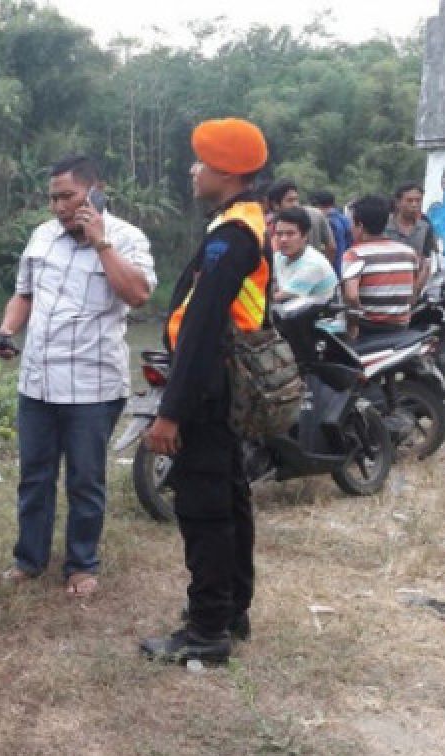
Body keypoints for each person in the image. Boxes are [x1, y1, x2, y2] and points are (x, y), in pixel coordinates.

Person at [0, 155, 156, 596]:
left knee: (85, 478)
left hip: (93, 385)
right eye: (53, 198)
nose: (59, 207)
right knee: (34, 476)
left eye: (68, 197)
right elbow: (22, 295)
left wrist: (101, 244)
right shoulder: (42, 237)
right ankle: (29, 559)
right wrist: (8, 329)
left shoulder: (127, 238)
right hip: (37, 382)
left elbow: (138, 294)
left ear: (95, 192)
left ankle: (82, 565)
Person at [140, 118, 270, 665]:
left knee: (204, 508)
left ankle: (207, 628)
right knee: (230, 497)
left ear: (227, 170)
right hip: (220, 385)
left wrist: (170, 413)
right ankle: (232, 608)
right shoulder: (243, 223)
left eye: (200, 162)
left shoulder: (232, 236)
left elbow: (200, 331)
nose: (192, 171)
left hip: (208, 389)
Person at [341, 194, 419, 338]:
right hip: (401, 327)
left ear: (360, 226)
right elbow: (413, 291)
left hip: (369, 329)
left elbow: (351, 296)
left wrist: (353, 326)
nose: (350, 228)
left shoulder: (354, 255)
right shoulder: (409, 253)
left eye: (351, 223)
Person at [271, 206, 337, 303]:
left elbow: (277, 297)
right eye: (279, 234)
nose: (283, 239)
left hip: (319, 316)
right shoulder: (279, 257)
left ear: (305, 235)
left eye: (290, 234)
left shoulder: (313, 264)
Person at [267, 178, 337, 265]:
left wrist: (322, 267)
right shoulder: (272, 223)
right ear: (275, 205)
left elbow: (331, 247)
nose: (295, 204)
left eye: (296, 199)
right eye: (290, 200)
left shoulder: (315, 214)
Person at [384, 182, 437, 289]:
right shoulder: (384, 225)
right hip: (386, 285)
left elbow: (426, 261)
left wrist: (416, 290)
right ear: (398, 203)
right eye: (409, 201)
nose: (414, 205)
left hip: (413, 286)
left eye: (418, 201)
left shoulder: (425, 227)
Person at [310, 190, 352, 276]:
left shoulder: (328, 222)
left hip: (333, 268)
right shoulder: (344, 219)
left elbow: (331, 248)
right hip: (347, 266)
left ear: (316, 205)